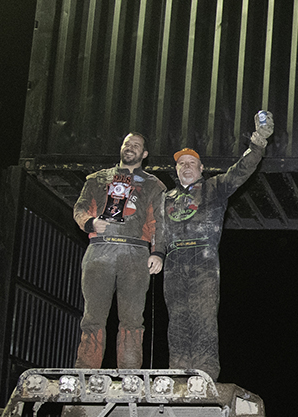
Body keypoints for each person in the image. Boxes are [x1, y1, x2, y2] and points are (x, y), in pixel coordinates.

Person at [155, 113, 275, 380]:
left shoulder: (215, 187)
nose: (186, 167)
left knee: (203, 317)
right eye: (182, 164)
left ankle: (205, 373)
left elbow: (242, 170)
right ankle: (177, 372)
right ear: (176, 170)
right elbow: (159, 230)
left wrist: (258, 142)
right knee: (177, 320)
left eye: (191, 163)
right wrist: (157, 253)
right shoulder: (166, 198)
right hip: (174, 264)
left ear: (201, 168)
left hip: (204, 260)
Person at [73, 132, 165, 369]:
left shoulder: (154, 185)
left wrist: (158, 252)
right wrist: (90, 222)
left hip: (135, 254)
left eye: (136, 145)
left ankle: (130, 376)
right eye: (127, 144)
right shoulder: (96, 179)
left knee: (133, 319)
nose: (130, 148)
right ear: (121, 148)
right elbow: (80, 207)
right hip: (100, 250)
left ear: (144, 154)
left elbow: (158, 222)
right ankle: (86, 372)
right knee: (92, 316)